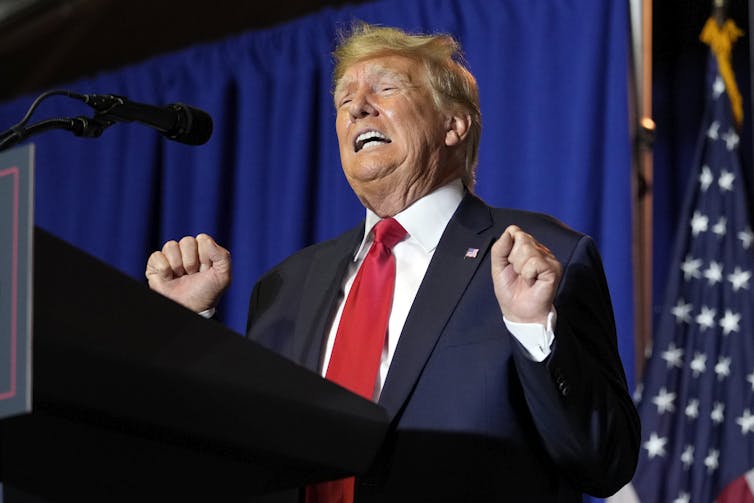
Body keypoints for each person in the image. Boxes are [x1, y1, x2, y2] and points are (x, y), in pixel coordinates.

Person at [145, 23, 640, 502]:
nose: (358, 107)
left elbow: (604, 461)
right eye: (343, 100)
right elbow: (234, 459)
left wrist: (534, 329)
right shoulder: (284, 287)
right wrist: (187, 329)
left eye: (385, 88)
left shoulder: (536, 257)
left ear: (453, 124)